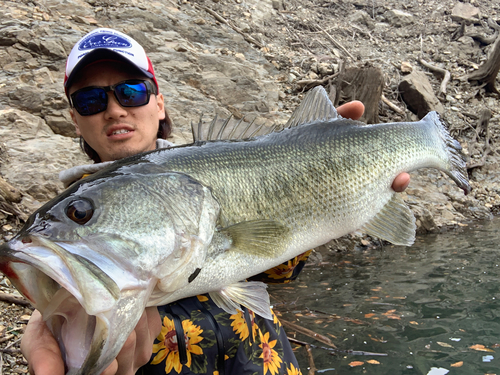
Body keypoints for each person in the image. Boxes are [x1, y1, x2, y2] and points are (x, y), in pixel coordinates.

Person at [20, 28, 411, 375]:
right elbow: (73, 280)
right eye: (90, 100)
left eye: (131, 91)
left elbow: (276, 271)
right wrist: (59, 313)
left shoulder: (218, 162)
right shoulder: (76, 214)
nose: (115, 109)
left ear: (159, 103)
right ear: (75, 120)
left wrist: (337, 193)